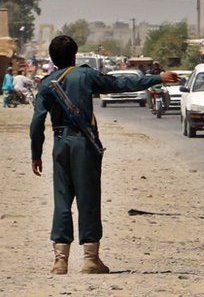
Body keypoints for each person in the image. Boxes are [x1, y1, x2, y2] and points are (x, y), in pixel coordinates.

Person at [30, 35, 179, 274]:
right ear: (74, 55)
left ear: (52, 58)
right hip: (84, 144)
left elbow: (37, 121)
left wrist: (35, 154)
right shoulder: (85, 75)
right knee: (88, 198)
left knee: (62, 199)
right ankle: (90, 259)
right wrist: (156, 78)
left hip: (60, 144)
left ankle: (60, 260)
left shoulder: (47, 83)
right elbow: (121, 84)